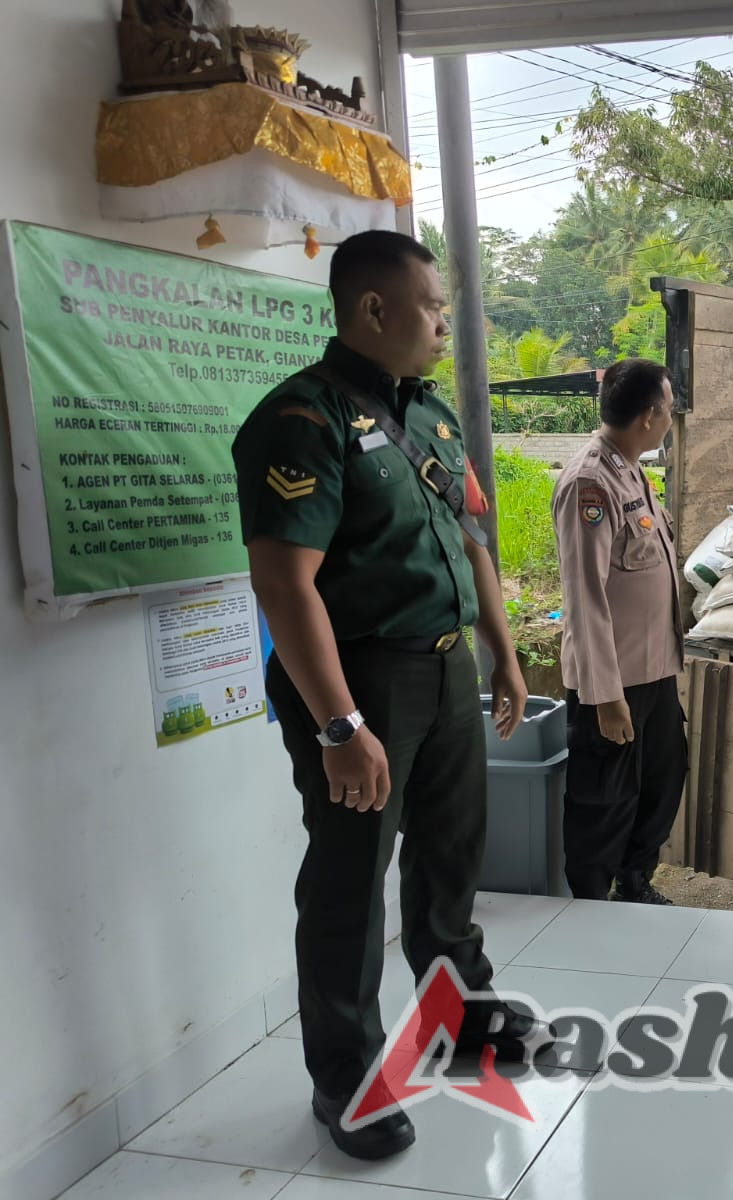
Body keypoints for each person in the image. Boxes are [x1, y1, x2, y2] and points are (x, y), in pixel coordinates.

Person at [234, 230, 541, 1162]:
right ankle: (350, 1082)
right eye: (434, 307)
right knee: (348, 886)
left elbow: (473, 541)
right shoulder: (301, 420)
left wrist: (502, 649)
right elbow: (286, 584)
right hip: (360, 682)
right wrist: (338, 724)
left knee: (449, 863)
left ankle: (459, 1020)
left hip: (445, 671)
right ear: (375, 309)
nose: (447, 324)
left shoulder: (433, 418)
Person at [554, 358, 686, 904]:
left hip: (655, 672)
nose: (672, 417)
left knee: (659, 785)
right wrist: (606, 699)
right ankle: (589, 904)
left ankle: (635, 884)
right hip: (613, 684)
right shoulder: (590, 480)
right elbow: (585, 599)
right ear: (651, 415)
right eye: (671, 408)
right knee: (603, 801)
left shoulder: (630, 469)